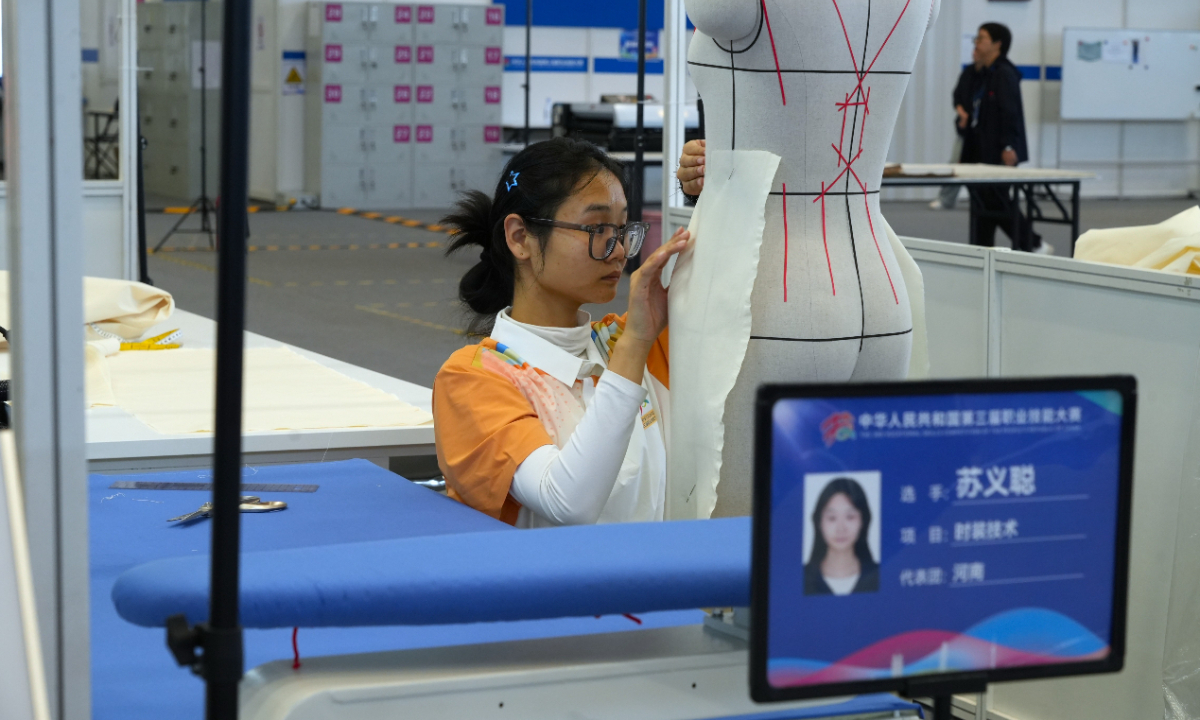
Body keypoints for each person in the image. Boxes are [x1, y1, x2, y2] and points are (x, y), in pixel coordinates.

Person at [432, 138, 690, 528]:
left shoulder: (630, 339)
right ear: (520, 237)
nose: (619, 251)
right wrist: (636, 341)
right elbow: (569, 502)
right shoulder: (473, 380)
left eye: (621, 229)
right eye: (597, 228)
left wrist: (706, 189)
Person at [954, 22, 1051, 254]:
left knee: (996, 200)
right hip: (978, 149)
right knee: (982, 203)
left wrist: (1008, 146)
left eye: (981, 39)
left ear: (997, 44)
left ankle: (1033, 243)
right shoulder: (981, 73)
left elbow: (1010, 114)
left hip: (999, 150)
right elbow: (963, 97)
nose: (976, 43)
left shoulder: (1004, 74)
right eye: (975, 39)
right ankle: (982, 251)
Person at [804, 478, 879, 596]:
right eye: (832, 518)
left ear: (863, 521)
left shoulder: (878, 576)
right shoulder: (802, 578)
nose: (841, 528)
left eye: (850, 517)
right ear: (819, 522)